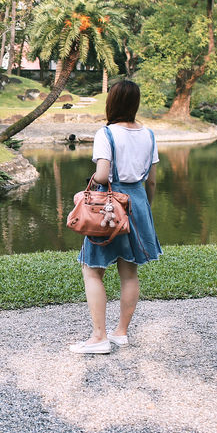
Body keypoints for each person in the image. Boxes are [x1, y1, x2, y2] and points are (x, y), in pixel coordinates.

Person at [70, 79, 162, 354]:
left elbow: (101, 175)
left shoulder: (106, 134)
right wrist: (145, 208)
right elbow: (153, 181)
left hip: (109, 208)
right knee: (129, 271)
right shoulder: (149, 134)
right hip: (138, 203)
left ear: (112, 102)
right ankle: (120, 332)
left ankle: (99, 337)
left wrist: (89, 184)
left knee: (92, 269)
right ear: (135, 103)